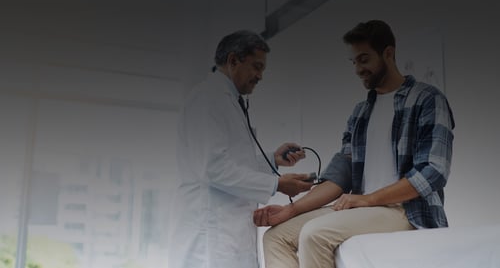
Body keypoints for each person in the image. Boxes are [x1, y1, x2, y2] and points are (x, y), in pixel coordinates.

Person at [253, 20, 455, 268]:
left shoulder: (427, 99)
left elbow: (433, 172)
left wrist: (368, 199)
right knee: (276, 237)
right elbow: (340, 175)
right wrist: (290, 211)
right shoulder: (361, 113)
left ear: (388, 53)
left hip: (407, 211)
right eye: (354, 62)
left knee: (314, 234)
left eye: (364, 59)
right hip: (365, 208)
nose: (358, 69)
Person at [168, 30, 314, 268]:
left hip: (230, 232)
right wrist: (278, 184)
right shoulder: (207, 99)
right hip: (210, 236)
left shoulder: (228, 100)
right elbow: (213, 168)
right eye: (256, 67)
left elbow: (232, 163)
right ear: (233, 60)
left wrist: (272, 160)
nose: (260, 76)